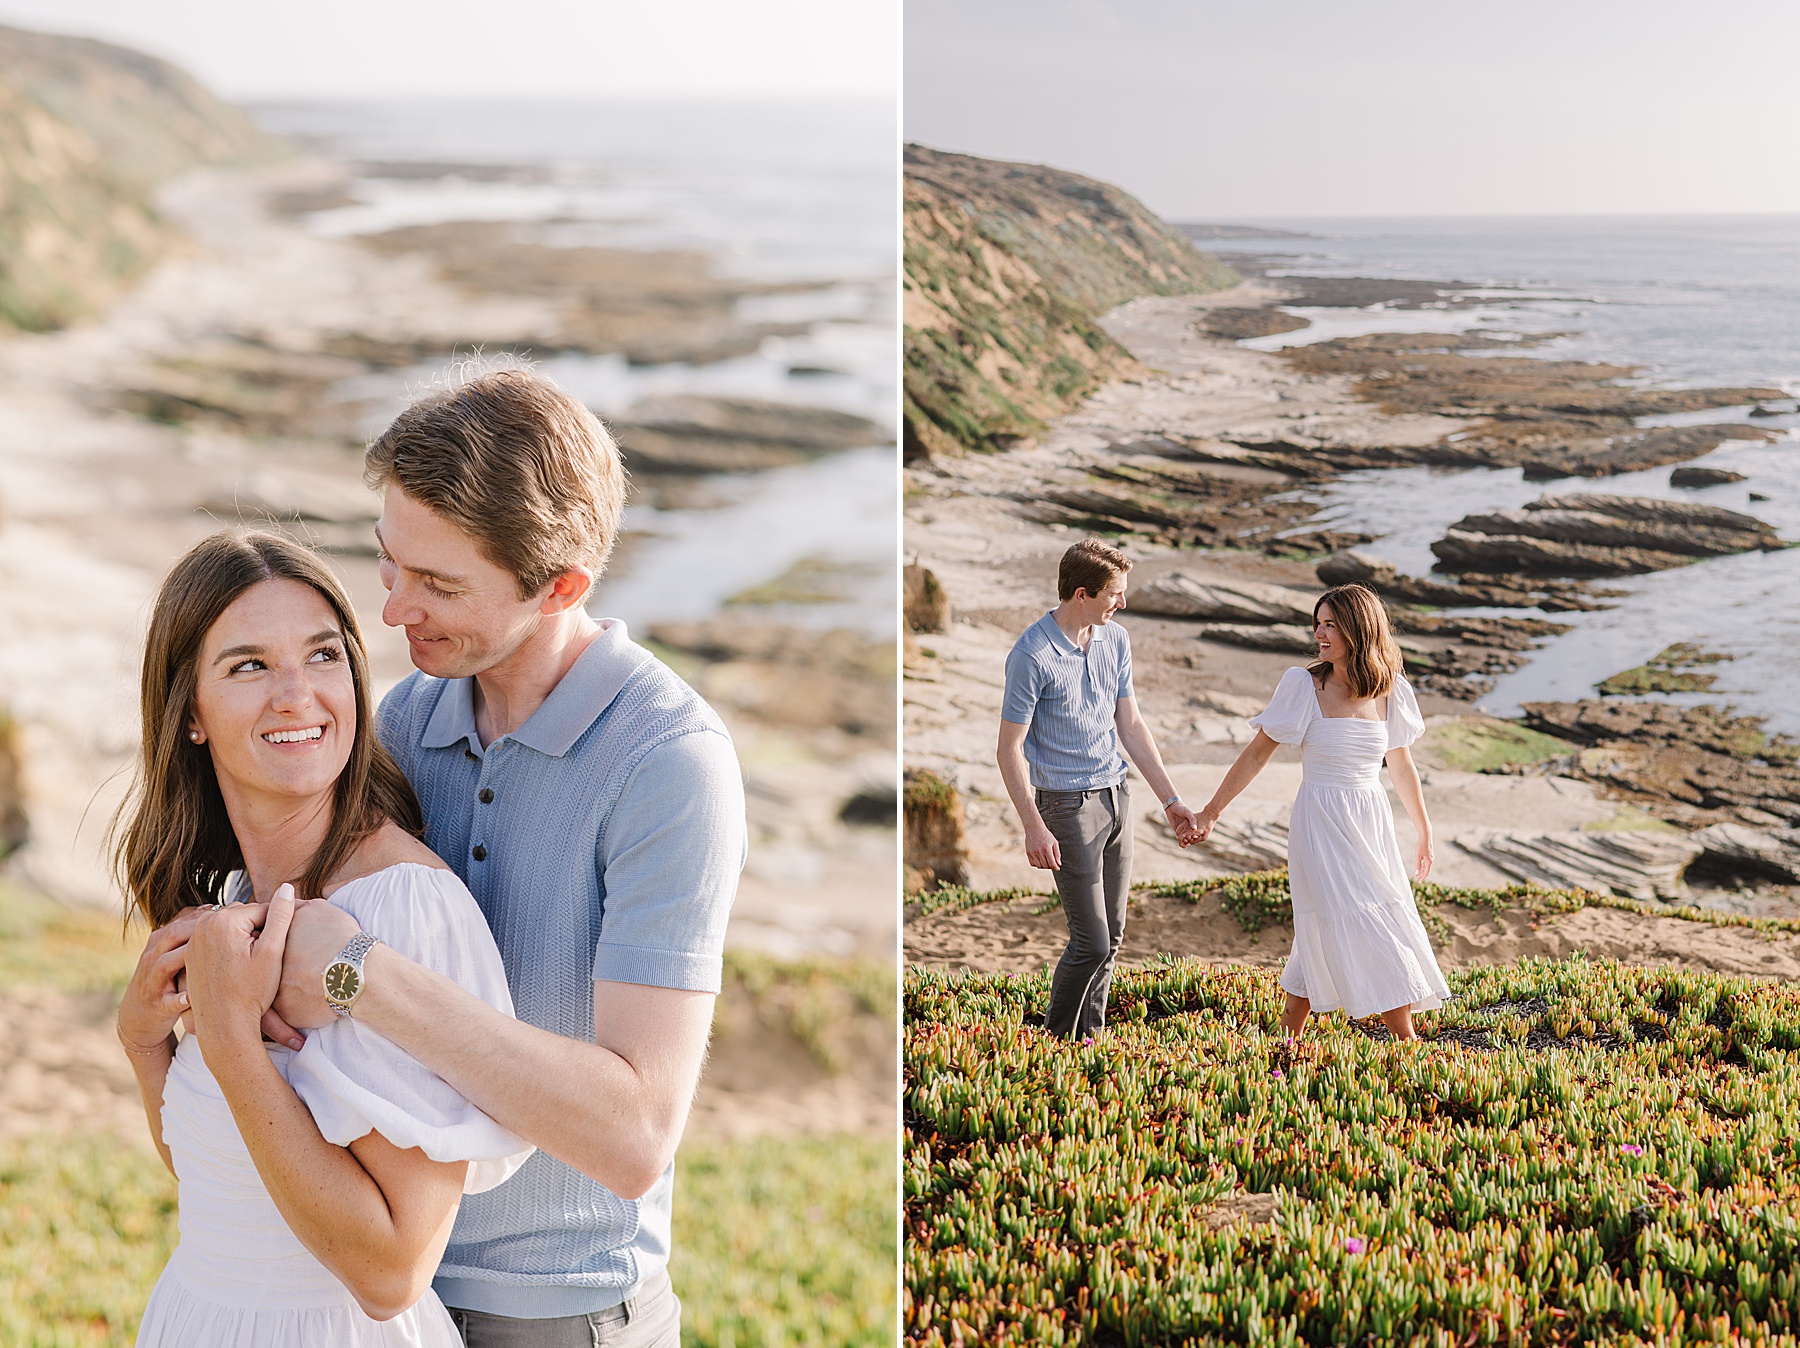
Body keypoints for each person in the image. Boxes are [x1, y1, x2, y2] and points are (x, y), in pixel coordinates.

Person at [257, 368, 747, 1347]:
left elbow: (635, 1135)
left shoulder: (668, 765)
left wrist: (358, 975)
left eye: (440, 585)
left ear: (562, 586)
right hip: (379, 1290)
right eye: (390, 563)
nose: (394, 612)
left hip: (557, 1315)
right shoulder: (404, 717)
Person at [114, 530, 534, 1346]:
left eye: (322, 656)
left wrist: (232, 1037)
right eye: (249, 665)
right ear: (189, 713)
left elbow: (391, 1272)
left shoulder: (401, 911)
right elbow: (230, 1184)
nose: (297, 696)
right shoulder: (240, 899)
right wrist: (143, 1044)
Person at [1192, 582, 1451, 1041]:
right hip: (1320, 821)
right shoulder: (1303, 685)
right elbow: (1256, 754)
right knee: (1363, 917)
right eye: (1318, 624)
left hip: (1371, 821)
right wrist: (1212, 812)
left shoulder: (1392, 691)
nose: (1319, 634)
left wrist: (1424, 832)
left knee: (1340, 920)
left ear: (1359, 627)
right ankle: (1405, 1038)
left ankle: (1285, 1039)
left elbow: (1402, 765)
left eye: (1331, 624)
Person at [996, 538, 1200, 1040]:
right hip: (1065, 807)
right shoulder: (1031, 655)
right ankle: (1054, 1044)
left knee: (1113, 938)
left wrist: (1171, 801)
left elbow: (1131, 726)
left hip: (1117, 797)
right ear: (1082, 593)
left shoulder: (1116, 640)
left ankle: (1091, 1038)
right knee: (1090, 941)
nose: (1123, 604)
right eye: (1115, 594)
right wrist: (1033, 826)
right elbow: (1008, 750)